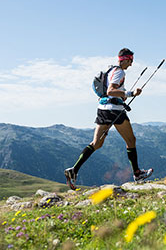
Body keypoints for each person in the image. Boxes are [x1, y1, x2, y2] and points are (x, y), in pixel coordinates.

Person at [64, 48, 153, 190]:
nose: (131, 65)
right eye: (131, 61)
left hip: (102, 109)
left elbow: (109, 91)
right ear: (127, 59)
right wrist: (130, 93)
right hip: (114, 110)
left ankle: (73, 170)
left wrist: (122, 95)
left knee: (96, 143)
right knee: (131, 140)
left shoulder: (110, 70)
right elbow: (110, 91)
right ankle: (137, 174)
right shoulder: (119, 72)